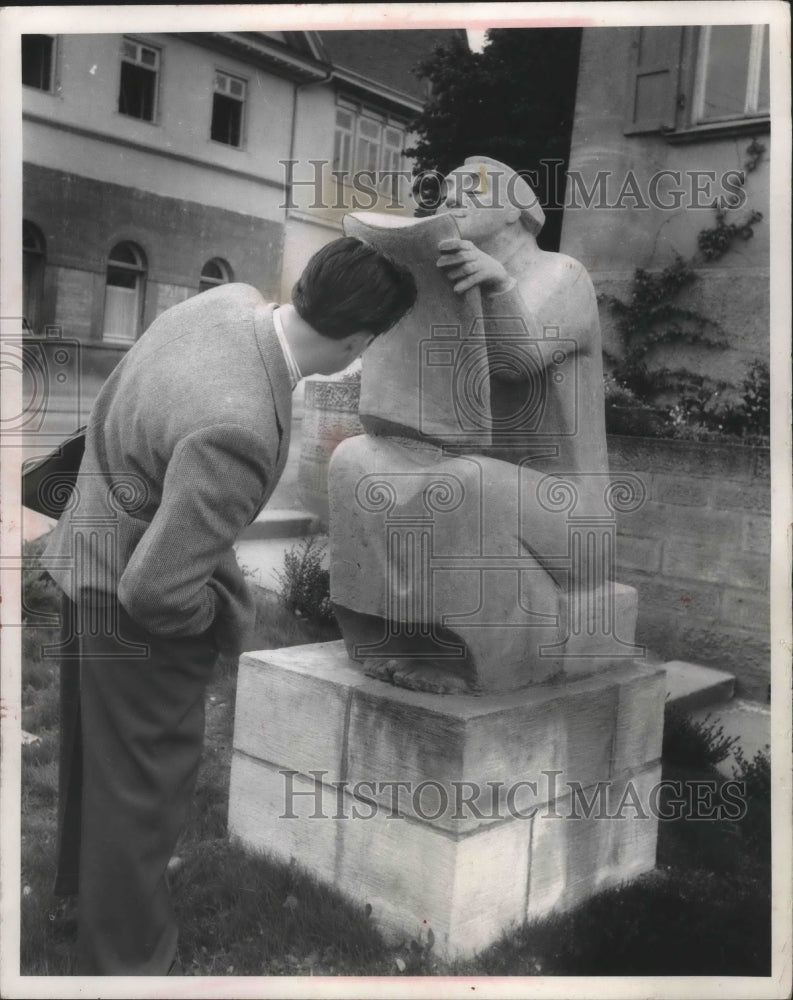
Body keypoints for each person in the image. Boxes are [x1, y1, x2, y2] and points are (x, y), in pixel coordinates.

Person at [42, 236, 417, 975]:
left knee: (99, 772)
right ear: (358, 340)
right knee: (143, 792)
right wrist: (209, 624)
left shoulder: (228, 301)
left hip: (83, 558)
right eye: (375, 342)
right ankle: (128, 963)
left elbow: (121, 400)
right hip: (130, 608)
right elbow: (155, 592)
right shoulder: (240, 426)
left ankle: (80, 908)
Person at [435, 154, 609, 477]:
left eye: (473, 192)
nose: (452, 200)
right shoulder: (450, 286)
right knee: (354, 459)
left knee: (465, 477)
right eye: (445, 196)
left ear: (514, 209)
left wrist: (499, 285)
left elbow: (515, 363)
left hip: (559, 491)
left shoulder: (564, 274)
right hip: (478, 472)